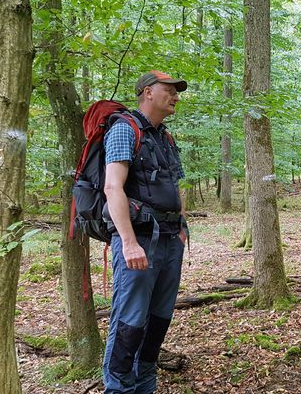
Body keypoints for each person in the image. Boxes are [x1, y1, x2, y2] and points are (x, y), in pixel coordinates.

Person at [102, 70, 189, 393]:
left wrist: (181, 227)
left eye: (177, 92)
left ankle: (145, 387)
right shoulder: (125, 130)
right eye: (170, 90)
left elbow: (174, 185)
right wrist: (127, 242)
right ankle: (119, 389)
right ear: (148, 92)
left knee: (157, 322)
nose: (176, 97)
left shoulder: (164, 137)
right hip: (138, 241)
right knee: (129, 324)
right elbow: (113, 187)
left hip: (169, 241)